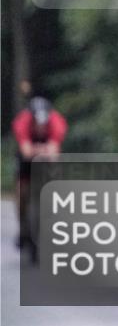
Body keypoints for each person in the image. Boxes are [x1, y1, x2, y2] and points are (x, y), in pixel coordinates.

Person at [12, 96, 68, 249]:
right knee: (21, 192)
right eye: (37, 123)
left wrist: (41, 151)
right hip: (26, 162)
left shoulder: (57, 121)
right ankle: (23, 226)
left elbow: (54, 151)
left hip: (46, 161)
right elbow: (26, 151)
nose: (40, 127)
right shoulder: (22, 121)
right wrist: (42, 150)